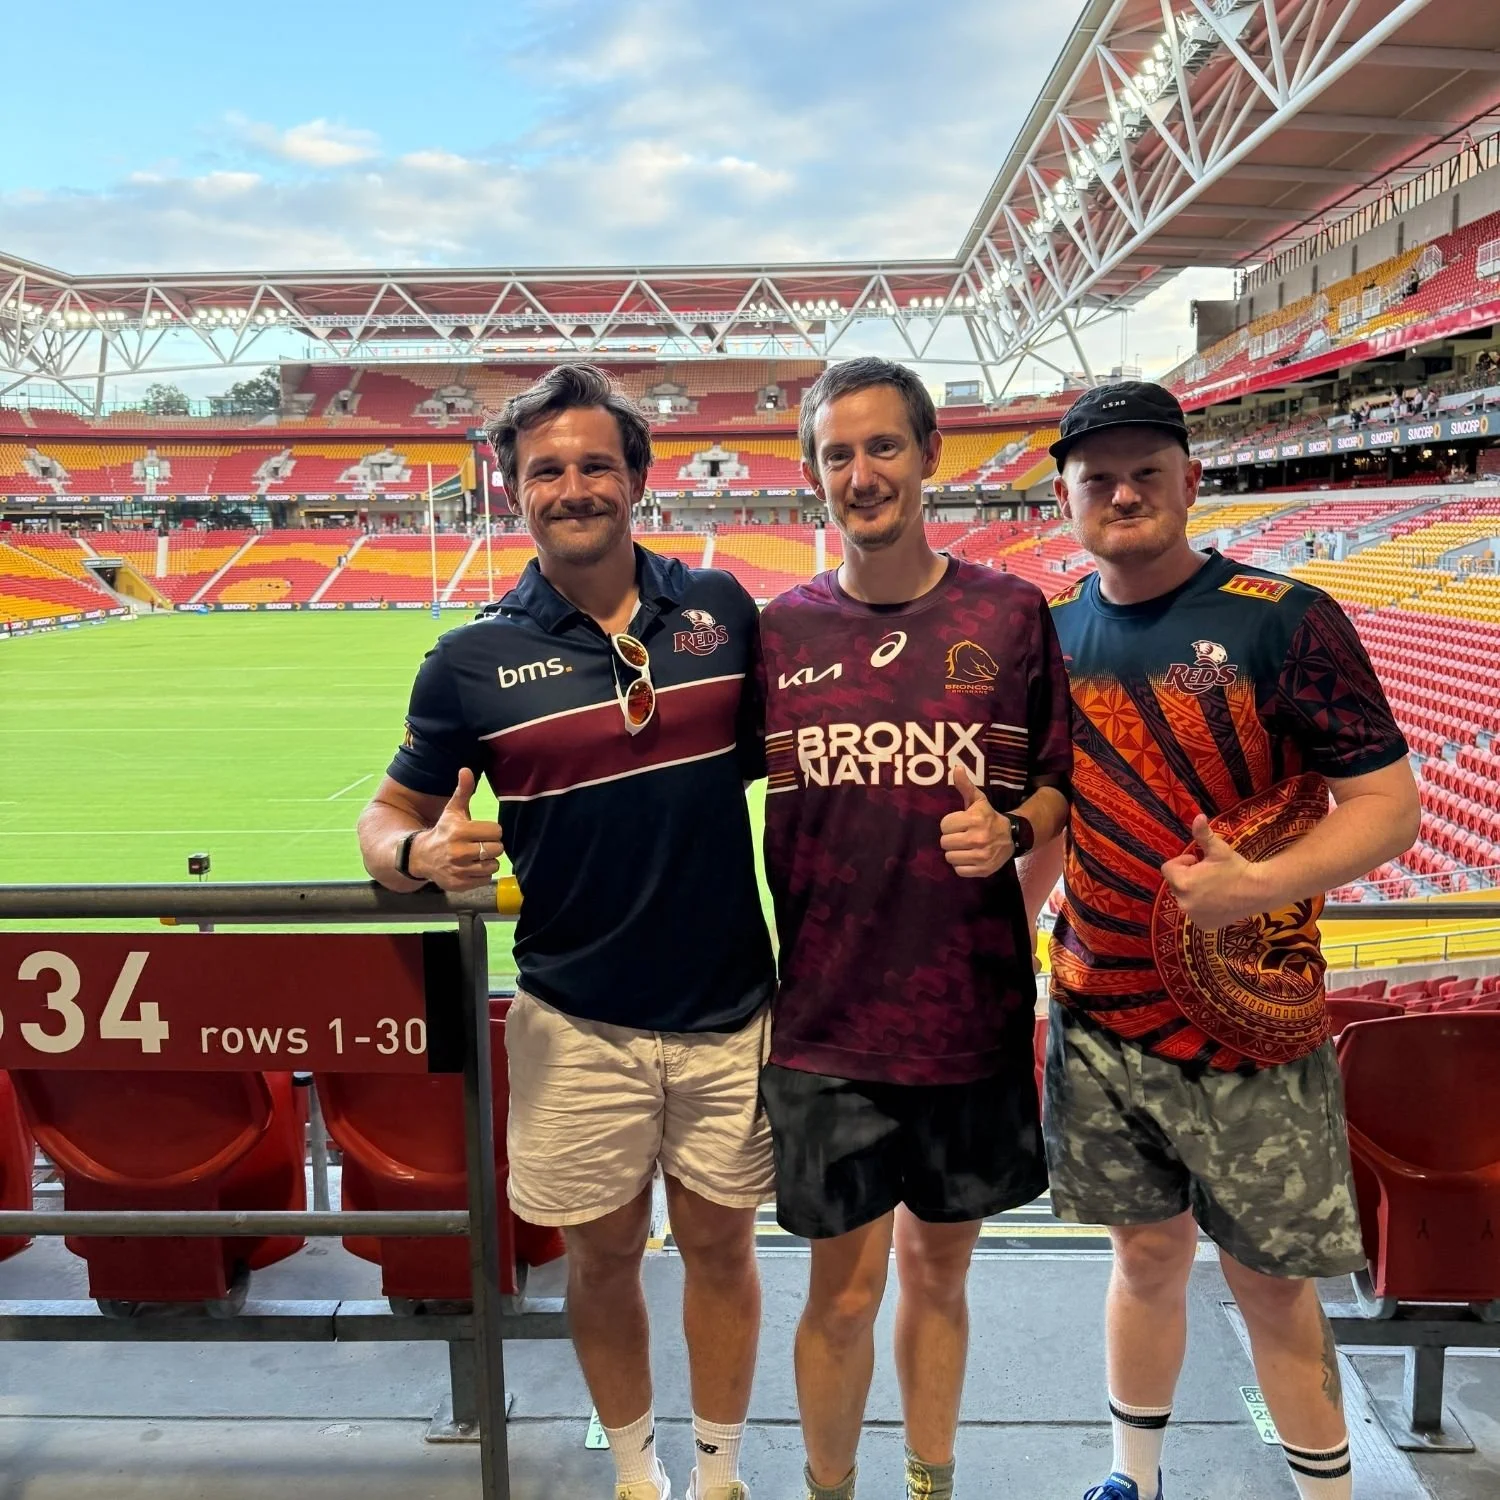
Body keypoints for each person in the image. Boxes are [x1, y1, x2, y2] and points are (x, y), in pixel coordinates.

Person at [357, 364, 776, 1500]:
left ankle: (721, 1475)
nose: (575, 486)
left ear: (638, 478)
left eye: (597, 464)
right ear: (516, 491)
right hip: (573, 1022)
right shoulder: (468, 660)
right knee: (597, 1259)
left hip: (729, 1008)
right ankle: (639, 1477)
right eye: (549, 470)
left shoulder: (722, 617)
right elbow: (385, 814)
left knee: (724, 1252)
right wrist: (417, 858)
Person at [1025, 380, 1421, 1500]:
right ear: (1066, 496)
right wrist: (1002, 950)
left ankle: (1326, 1491)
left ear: (1191, 482)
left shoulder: (1283, 617)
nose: (1122, 493)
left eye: (1148, 470)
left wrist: (1254, 891)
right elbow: (1056, 823)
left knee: (1270, 1286)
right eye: (1097, 477)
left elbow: (1391, 808)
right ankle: (1130, 1479)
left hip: (1251, 1022)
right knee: (1142, 1258)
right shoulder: (1049, 634)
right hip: (1098, 1014)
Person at [758, 357, 1073, 1500]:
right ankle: (829, 1490)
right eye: (837, 453)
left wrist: (1015, 831)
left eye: (882, 446)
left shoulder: (1008, 612)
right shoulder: (779, 631)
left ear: (929, 454)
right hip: (827, 1024)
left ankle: (930, 1486)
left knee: (939, 1278)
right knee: (838, 1293)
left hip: (970, 1017)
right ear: (813, 475)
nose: (860, 472)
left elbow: (1056, 787)